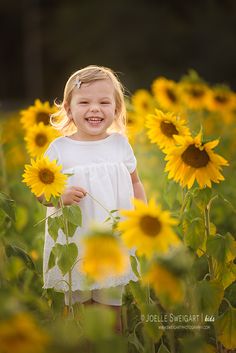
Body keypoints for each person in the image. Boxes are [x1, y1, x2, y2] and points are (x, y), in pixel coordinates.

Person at [40, 65, 147, 333]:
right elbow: (40, 192)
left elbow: (135, 182)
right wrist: (58, 196)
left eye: (104, 102)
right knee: (79, 313)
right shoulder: (60, 149)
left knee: (111, 311)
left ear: (117, 109)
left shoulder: (120, 145)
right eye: (84, 102)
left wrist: (141, 217)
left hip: (113, 242)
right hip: (74, 244)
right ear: (68, 108)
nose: (95, 109)